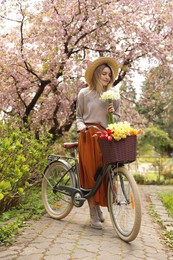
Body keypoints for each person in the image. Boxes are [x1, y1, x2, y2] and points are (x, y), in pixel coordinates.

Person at [76, 57, 120, 229]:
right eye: (104, 73)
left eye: (109, 75)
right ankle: (93, 212)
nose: (107, 77)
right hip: (88, 136)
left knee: (105, 174)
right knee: (90, 174)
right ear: (96, 74)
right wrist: (81, 128)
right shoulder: (84, 94)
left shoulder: (114, 95)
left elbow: (116, 119)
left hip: (105, 136)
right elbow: (79, 116)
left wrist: (112, 113)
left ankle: (100, 208)